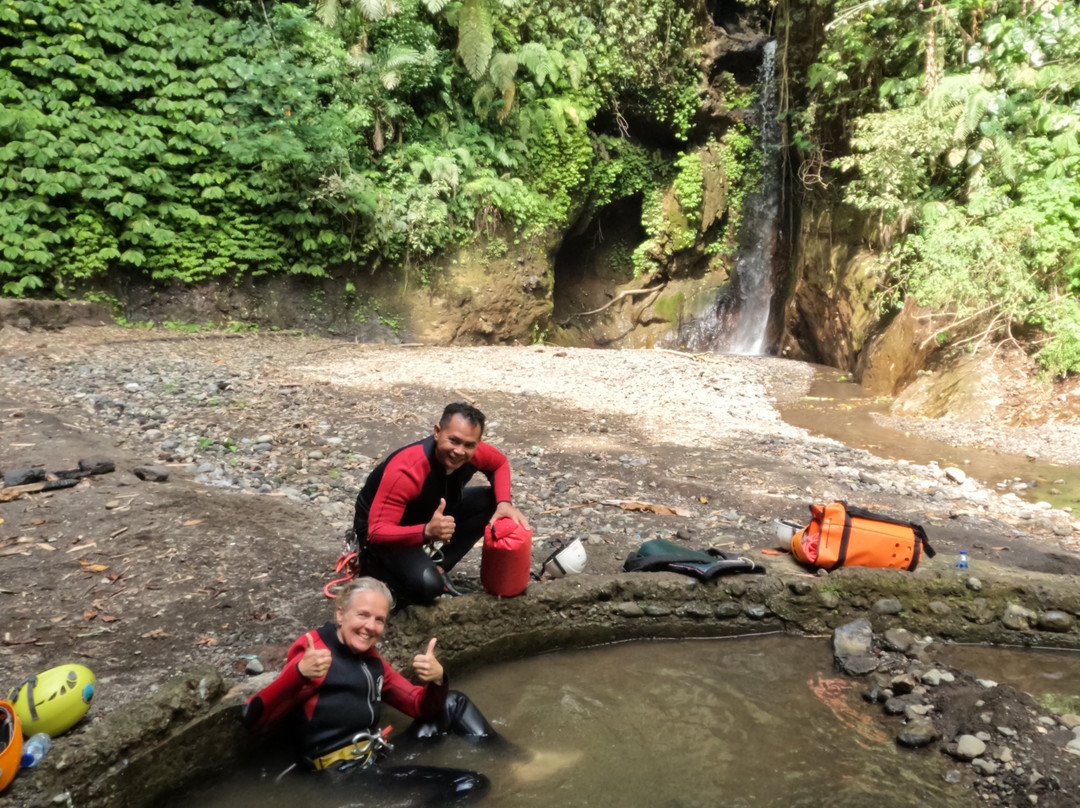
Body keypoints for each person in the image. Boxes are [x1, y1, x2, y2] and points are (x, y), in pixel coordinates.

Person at [242, 577, 495, 803]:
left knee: (454, 702)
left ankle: (518, 759)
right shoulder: (316, 654)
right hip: (343, 773)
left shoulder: (371, 661)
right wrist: (297, 674)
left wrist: (438, 680)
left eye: (379, 620)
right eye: (362, 615)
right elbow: (252, 715)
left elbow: (420, 706)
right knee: (469, 784)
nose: (370, 626)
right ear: (341, 614)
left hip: (374, 755)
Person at [353, 401, 530, 605]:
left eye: (469, 445)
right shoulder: (407, 469)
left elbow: (499, 463)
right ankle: (377, 566)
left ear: (478, 443)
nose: (459, 451)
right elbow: (376, 532)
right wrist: (426, 531)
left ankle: (438, 565)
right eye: (453, 440)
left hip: (431, 510)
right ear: (437, 432)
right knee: (429, 586)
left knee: (492, 503)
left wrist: (504, 503)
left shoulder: (472, 452)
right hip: (383, 529)